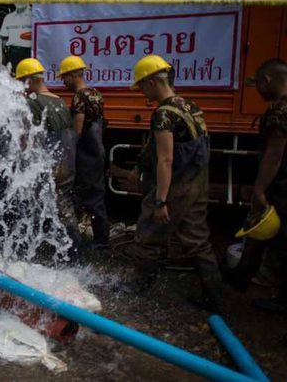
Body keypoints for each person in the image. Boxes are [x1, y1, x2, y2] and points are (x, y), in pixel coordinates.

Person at [122, 55, 221, 312]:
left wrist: (161, 201)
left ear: (154, 82)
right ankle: (214, 297)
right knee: (197, 239)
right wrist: (139, 167)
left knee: (147, 234)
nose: (141, 91)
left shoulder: (163, 114)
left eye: (142, 85)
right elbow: (156, 147)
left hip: (176, 184)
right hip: (198, 181)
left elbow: (165, 159)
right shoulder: (190, 105)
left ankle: (138, 286)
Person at [227, 58, 287, 313]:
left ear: (268, 80)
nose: (258, 91)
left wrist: (259, 189)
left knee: (280, 241)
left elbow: (274, 154)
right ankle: (242, 279)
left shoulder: (280, 111)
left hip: (282, 187)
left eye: (258, 85)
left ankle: (279, 300)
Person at [16, 58, 80, 255]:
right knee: (64, 205)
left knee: (36, 205)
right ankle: (74, 247)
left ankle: (40, 249)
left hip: (47, 164)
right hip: (67, 162)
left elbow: (29, 138)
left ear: (30, 80)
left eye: (22, 81)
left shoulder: (33, 102)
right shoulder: (59, 100)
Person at [59, 55, 110, 250]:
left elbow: (78, 131)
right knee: (97, 194)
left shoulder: (80, 97)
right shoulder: (96, 93)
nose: (63, 82)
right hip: (98, 151)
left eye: (65, 77)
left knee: (86, 197)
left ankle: (98, 241)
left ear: (73, 75)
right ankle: (101, 236)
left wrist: (66, 153)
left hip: (86, 154)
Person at [0, 0, 32, 72]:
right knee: (14, 80)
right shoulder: (8, 18)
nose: (20, 0)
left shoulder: (35, 16)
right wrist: (3, 61)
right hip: (13, 54)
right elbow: (4, 41)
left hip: (29, 53)